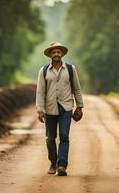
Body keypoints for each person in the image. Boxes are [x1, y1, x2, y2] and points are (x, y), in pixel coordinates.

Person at [35, 42, 84, 176]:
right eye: (54, 52)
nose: (56, 54)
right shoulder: (44, 70)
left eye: (58, 52)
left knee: (64, 136)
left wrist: (79, 106)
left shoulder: (70, 69)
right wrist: (40, 110)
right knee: (50, 138)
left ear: (61, 53)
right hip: (50, 109)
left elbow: (76, 88)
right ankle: (53, 162)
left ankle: (61, 165)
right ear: (50, 55)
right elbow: (40, 91)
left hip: (66, 108)